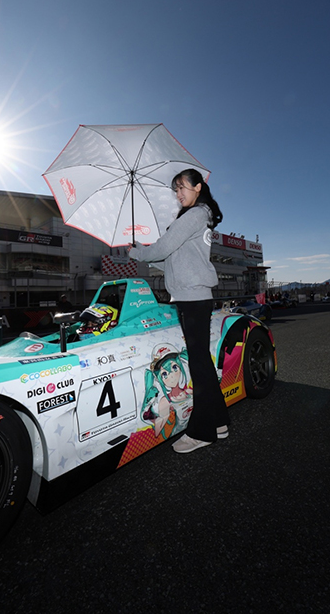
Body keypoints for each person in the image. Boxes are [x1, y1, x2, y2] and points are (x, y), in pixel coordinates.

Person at [129, 168, 228, 454]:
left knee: (199, 365)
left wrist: (138, 252)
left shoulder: (195, 215)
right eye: (176, 189)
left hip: (193, 298)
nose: (178, 193)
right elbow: (171, 257)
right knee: (201, 363)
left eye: (182, 187)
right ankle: (219, 422)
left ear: (198, 187)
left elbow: (164, 247)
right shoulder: (196, 216)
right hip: (191, 297)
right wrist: (145, 252)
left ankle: (202, 431)